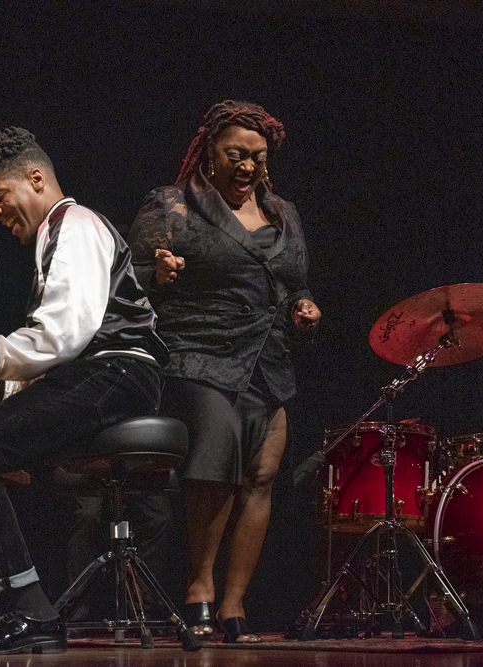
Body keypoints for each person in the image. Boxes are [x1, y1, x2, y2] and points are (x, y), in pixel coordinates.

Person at [0, 126, 168, 655]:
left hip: (117, 373)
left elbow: (60, 336)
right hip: (105, 374)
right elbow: (49, 371)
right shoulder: (54, 237)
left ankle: (30, 610)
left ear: (35, 179)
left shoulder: (73, 224)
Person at [126, 100, 321, 643]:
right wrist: (159, 272)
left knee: (262, 474)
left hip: (267, 359)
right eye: (236, 154)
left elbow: (293, 280)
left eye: (257, 157)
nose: (247, 166)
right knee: (219, 456)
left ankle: (235, 603)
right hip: (198, 352)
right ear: (209, 152)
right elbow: (128, 277)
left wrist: (303, 305)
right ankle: (199, 588)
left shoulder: (283, 213)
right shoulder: (174, 203)